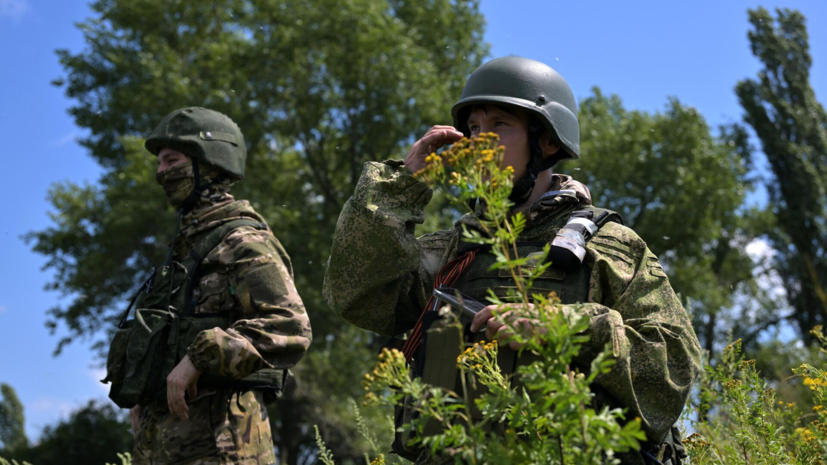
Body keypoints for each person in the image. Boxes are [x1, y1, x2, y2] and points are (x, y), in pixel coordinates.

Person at [323, 57, 701, 465]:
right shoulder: (454, 252)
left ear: (548, 142)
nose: (479, 142)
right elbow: (353, 293)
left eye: (499, 125)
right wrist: (401, 187)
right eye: (473, 129)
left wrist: (564, 327)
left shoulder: (609, 247)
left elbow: (674, 366)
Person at [102, 107, 312, 464]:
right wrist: (144, 393)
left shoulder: (243, 241)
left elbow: (289, 326)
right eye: (159, 164)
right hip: (164, 445)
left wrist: (197, 358)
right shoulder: (185, 251)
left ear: (209, 161)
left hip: (223, 445)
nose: (161, 173)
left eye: (171, 160)